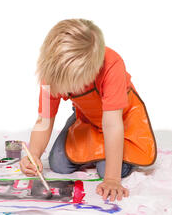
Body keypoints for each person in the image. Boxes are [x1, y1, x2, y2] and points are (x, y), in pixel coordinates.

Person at [20, 19, 156, 201]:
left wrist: (112, 179)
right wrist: (34, 155)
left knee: (104, 169)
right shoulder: (51, 73)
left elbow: (113, 124)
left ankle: (102, 158)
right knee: (58, 164)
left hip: (121, 120)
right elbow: (44, 120)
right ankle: (94, 151)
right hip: (87, 118)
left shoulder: (112, 65)